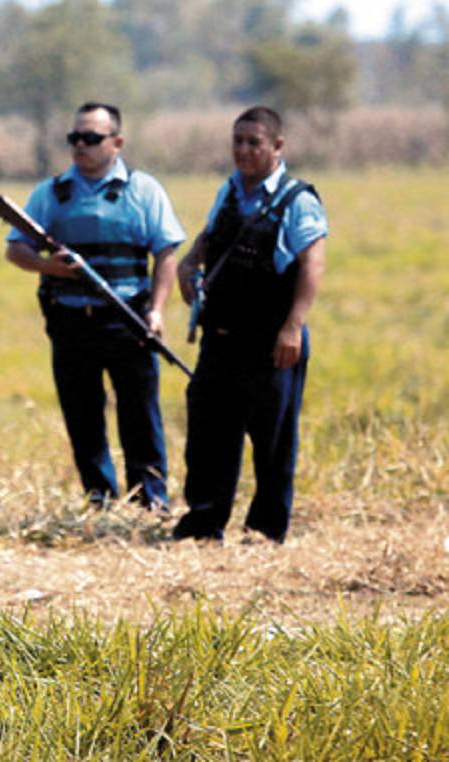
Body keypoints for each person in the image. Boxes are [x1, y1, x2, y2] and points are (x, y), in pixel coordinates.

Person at [5, 102, 186, 510]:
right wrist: (49, 266)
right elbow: (15, 249)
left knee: (139, 415)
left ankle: (151, 500)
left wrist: (157, 311)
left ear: (117, 143)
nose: (80, 146)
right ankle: (99, 501)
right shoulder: (51, 193)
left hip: (128, 321)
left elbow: (167, 255)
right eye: (75, 138)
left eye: (91, 138)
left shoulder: (143, 191)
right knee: (82, 417)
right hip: (70, 322)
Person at [172, 106, 327, 545]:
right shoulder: (230, 191)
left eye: (254, 142)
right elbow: (211, 235)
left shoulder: (298, 201)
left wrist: (293, 327)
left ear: (278, 147)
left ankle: (264, 529)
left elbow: (312, 262)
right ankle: (203, 522)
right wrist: (189, 261)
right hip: (219, 337)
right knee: (208, 434)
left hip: (272, 341)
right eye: (238, 141)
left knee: (272, 439)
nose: (243, 150)